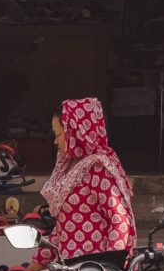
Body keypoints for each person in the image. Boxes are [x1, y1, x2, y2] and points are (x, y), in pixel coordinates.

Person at [42, 97, 137, 260]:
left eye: (58, 135)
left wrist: (110, 267)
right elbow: (62, 230)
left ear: (74, 133)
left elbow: (119, 220)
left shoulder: (97, 168)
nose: (55, 141)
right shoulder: (68, 167)